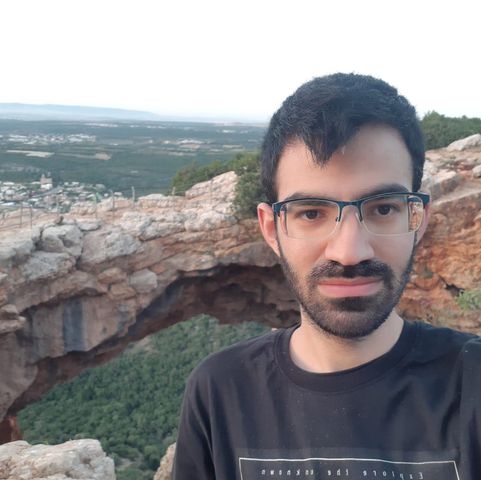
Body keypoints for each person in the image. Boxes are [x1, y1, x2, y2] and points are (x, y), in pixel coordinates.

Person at [172, 73, 481, 480]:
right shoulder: (219, 391)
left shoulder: (473, 384)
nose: (349, 252)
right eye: (312, 213)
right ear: (271, 229)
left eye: (383, 209)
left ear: (418, 220)